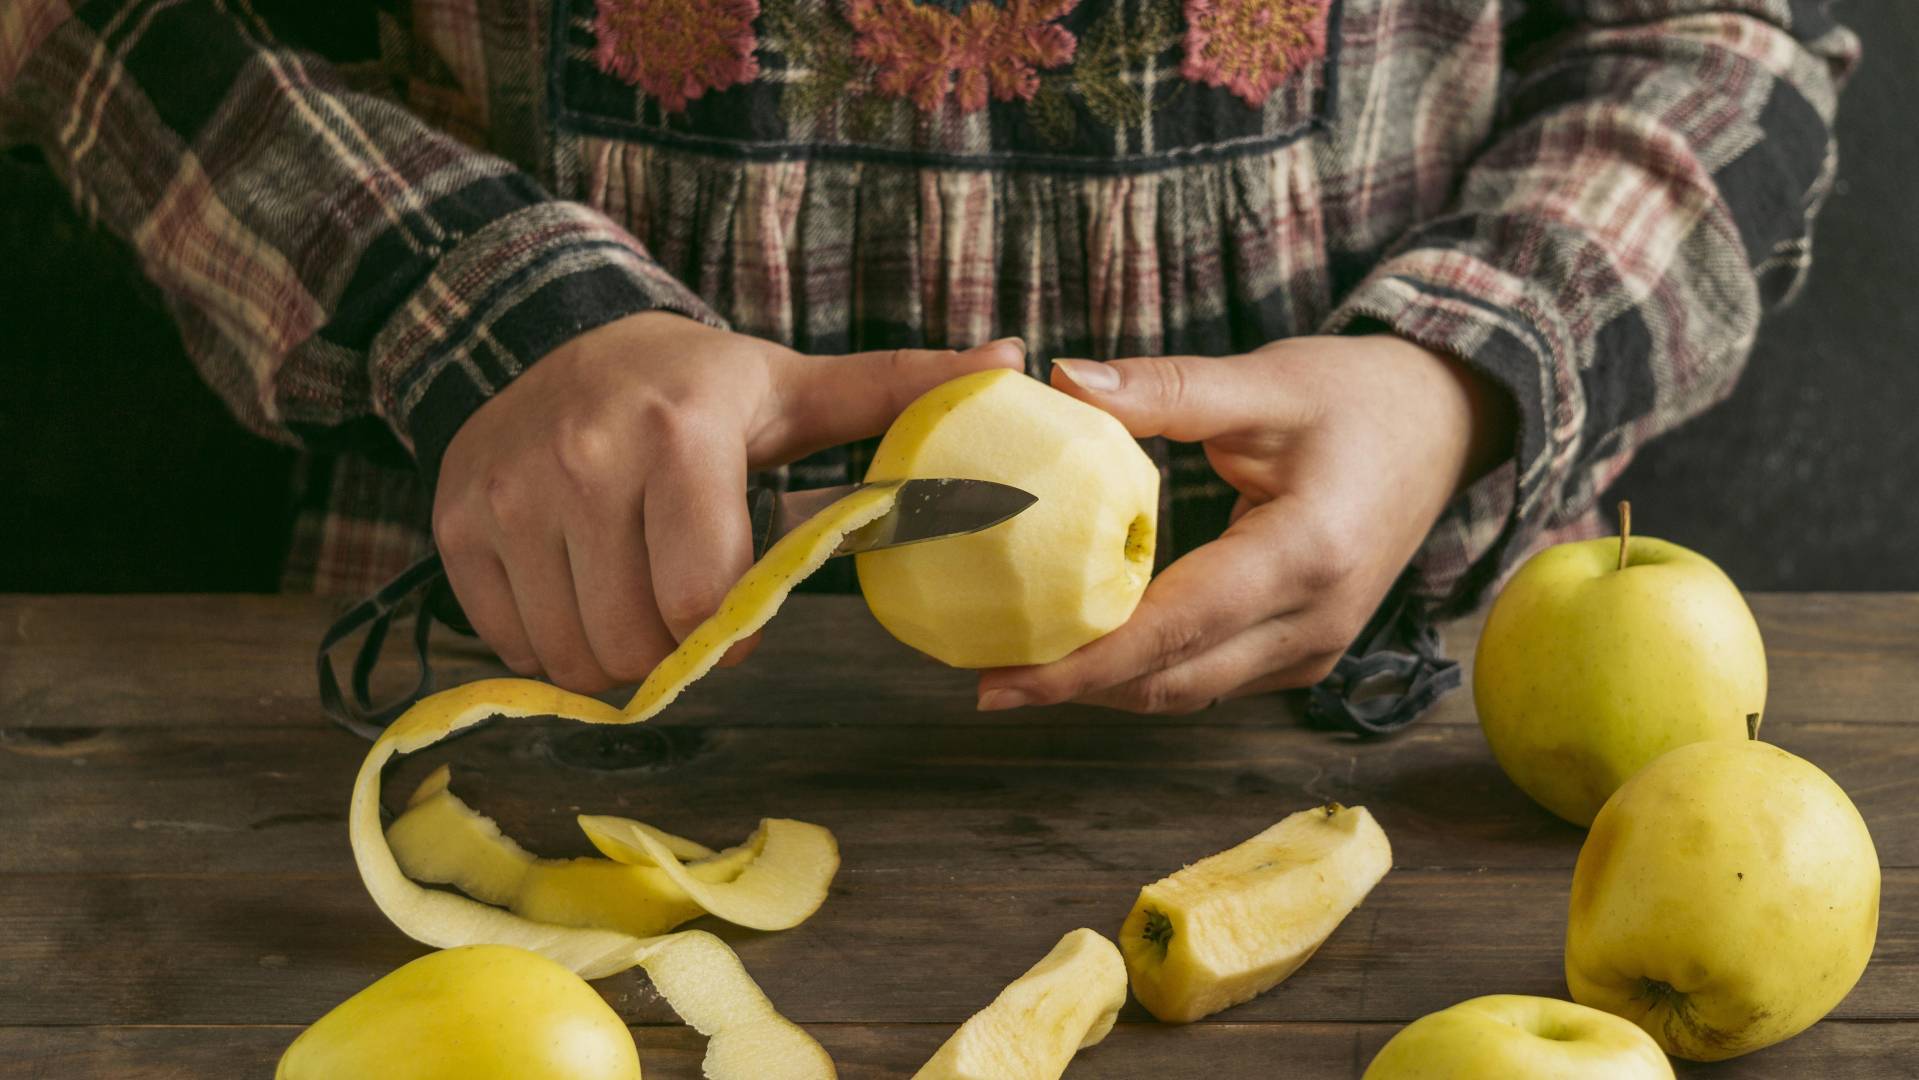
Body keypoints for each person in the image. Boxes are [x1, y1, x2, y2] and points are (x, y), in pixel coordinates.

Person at [0, 0, 1855, 728]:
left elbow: (1720, 34)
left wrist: (1458, 378)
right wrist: (483, 312)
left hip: (1395, 716)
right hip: (539, 670)